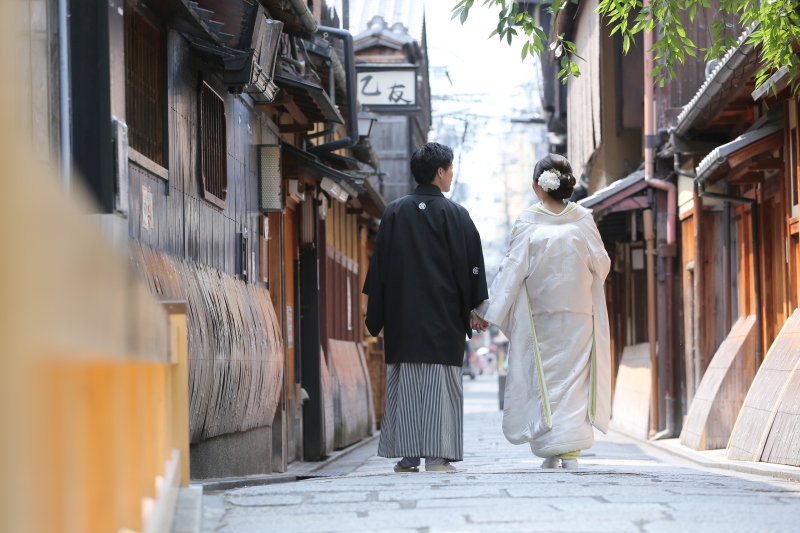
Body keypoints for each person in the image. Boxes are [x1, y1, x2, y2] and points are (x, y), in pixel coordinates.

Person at [473, 154, 611, 469]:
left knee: (544, 379)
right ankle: (569, 451)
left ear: (538, 186)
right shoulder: (583, 218)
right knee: (575, 379)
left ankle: (552, 448)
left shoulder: (529, 220)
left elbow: (511, 271)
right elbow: (602, 263)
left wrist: (488, 310)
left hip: (541, 315)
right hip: (579, 314)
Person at [363, 142, 488, 473]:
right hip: (444, 318)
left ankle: (407, 457)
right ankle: (436, 457)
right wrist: (474, 310)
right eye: (450, 169)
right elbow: (472, 266)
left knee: (405, 385)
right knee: (439, 386)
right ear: (440, 172)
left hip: (402, 318)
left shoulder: (394, 211)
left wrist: (378, 315)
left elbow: (380, 268)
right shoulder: (456, 214)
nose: (451, 176)